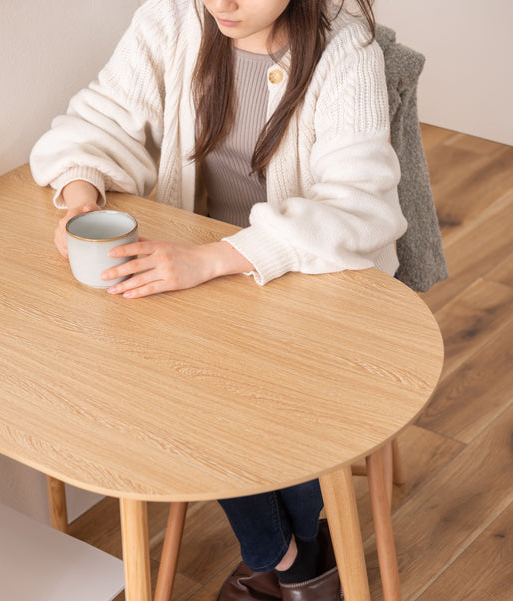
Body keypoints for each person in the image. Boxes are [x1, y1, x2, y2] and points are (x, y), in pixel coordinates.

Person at [31, 0, 407, 599]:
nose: (223, 4)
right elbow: (96, 121)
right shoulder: (172, 18)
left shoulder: (345, 45)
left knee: (234, 393)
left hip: (313, 278)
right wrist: (82, 198)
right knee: (171, 383)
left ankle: (276, 562)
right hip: (202, 285)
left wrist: (212, 259)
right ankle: (297, 561)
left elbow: (360, 207)